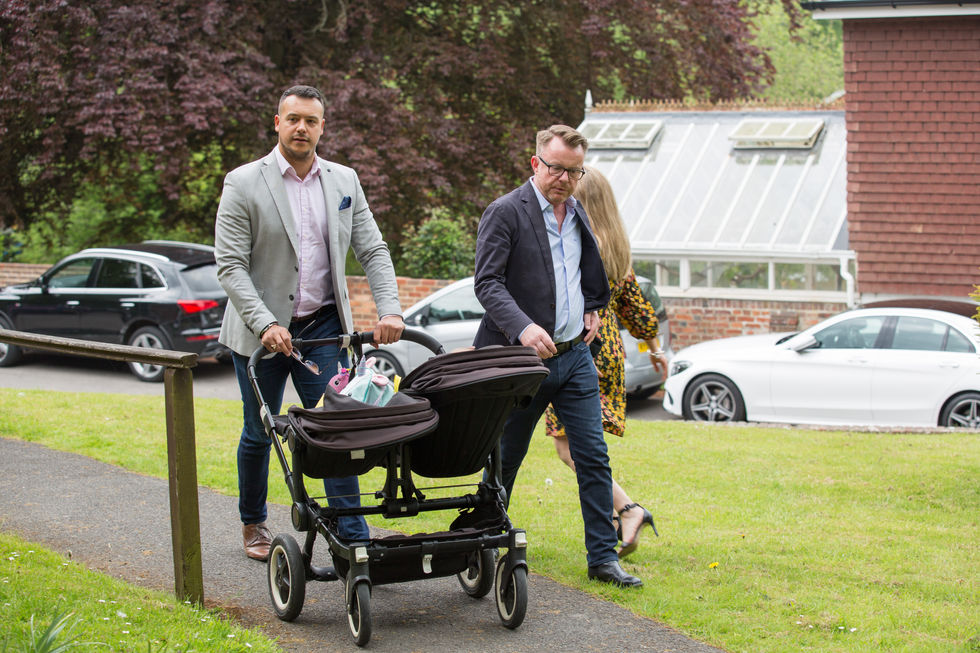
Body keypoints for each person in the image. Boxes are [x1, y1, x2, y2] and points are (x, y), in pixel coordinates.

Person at [215, 85, 405, 561]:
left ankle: (351, 533)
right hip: (260, 334)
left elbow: (373, 249)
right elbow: (230, 266)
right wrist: (264, 324)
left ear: (322, 127)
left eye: (311, 121)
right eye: (293, 118)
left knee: (336, 429)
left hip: (322, 330)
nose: (302, 127)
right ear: (277, 122)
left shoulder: (344, 180)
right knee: (259, 430)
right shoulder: (243, 182)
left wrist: (390, 309)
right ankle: (253, 521)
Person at [473, 124, 642, 588]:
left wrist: (593, 306)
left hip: (574, 359)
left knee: (593, 458)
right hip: (520, 364)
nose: (564, 179)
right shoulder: (506, 212)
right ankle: (481, 542)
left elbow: (584, 270)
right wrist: (523, 327)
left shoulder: (577, 211)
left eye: (574, 171)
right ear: (536, 163)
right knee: (505, 459)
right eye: (556, 168)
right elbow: (487, 283)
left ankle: (603, 560)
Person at [544, 166, 666, 559]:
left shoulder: (578, 241)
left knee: (573, 450)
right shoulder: (615, 245)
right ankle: (620, 514)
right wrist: (656, 349)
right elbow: (638, 310)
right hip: (609, 352)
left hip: (583, 350)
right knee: (581, 447)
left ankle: (628, 510)